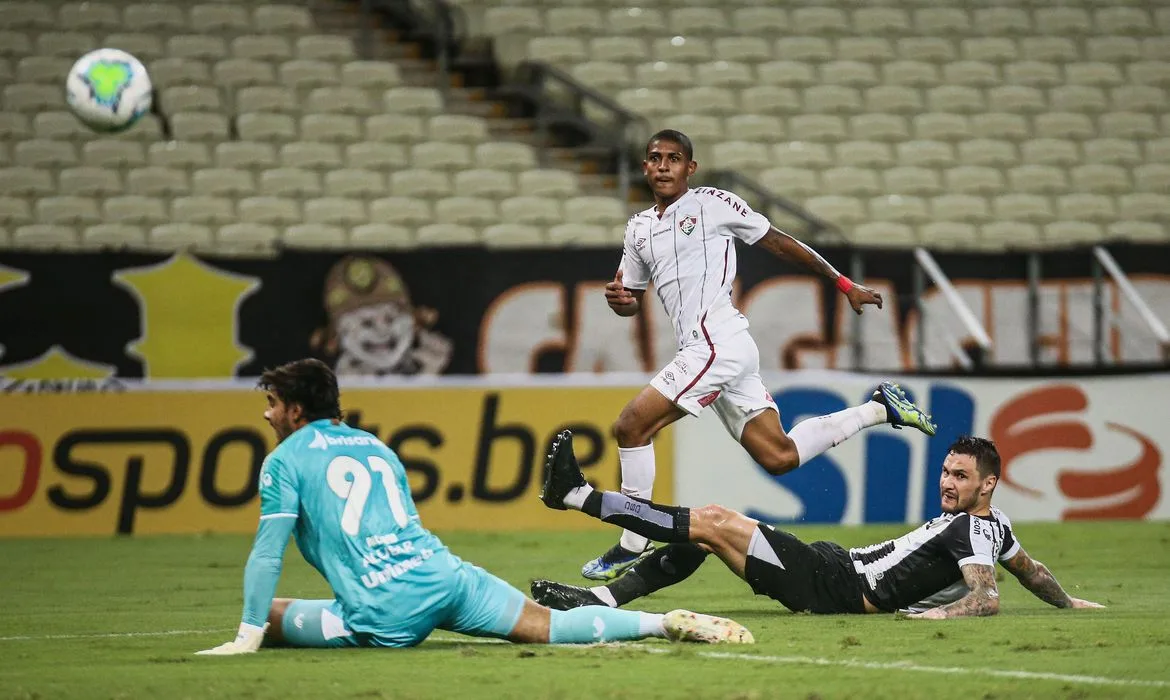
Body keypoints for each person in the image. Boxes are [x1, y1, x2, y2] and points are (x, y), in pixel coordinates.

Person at [195, 359, 753, 655]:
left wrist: (246, 634)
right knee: (546, 626)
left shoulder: (285, 460)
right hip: (446, 577)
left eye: (272, 405)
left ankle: (259, 631)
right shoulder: (376, 447)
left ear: (294, 410)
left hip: (384, 610)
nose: (267, 416)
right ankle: (662, 623)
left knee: (271, 615)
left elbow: (268, 556)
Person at [586, 128, 937, 580]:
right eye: (655, 158)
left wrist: (842, 282)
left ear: (690, 168)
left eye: (674, 158)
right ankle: (877, 410)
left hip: (718, 343)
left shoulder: (713, 203)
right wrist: (622, 303)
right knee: (780, 456)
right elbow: (630, 298)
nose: (664, 166)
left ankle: (633, 537)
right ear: (645, 167)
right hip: (715, 351)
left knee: (631, 425)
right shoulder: (638, 228)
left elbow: (779, 241)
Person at [537, 430, 1104, 619]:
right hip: (833, 567)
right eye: (946, 472)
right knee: (710, 534)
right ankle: (602, 603)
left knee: (711, 521)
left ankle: (578, 494)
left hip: (835, 585)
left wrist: (932, 614)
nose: (948, 483)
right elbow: (1030, 572)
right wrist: (1069, 604)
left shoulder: (972, 531)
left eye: (961, 476)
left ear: (988, 484)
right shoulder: (995, 525)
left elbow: (987, 598)